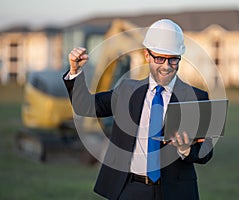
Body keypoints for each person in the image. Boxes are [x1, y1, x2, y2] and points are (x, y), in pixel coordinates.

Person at [63, 19, 213, 200]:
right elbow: (85, 106)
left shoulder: (195, 98)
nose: (166, 66)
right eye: (159, 58)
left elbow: (205, 151)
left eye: (173, 60)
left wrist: (186, 149)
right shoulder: (126, 90)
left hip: (175, 192)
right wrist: (75, 72)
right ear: (147, 55)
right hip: (130, 189)